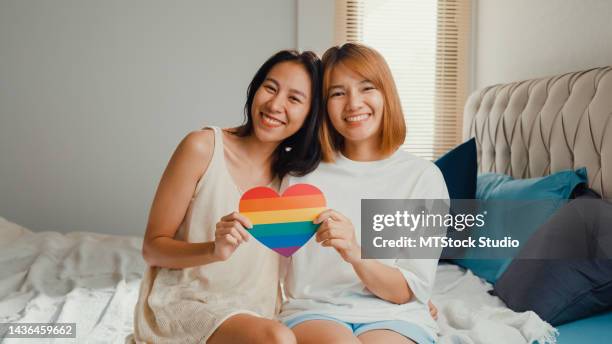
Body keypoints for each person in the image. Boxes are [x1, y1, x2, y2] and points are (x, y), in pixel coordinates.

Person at [130, 50, 322, 344]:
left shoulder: (296, 178)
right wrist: (213, 250)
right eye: (270, 88)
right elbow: (152, 249)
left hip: (256, 315)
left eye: (294, 99)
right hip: (187, 304)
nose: (275, 104)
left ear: (310, 115)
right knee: (279, 339)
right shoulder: (201, 148)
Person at [279, 43, 449, 344]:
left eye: (366, 88)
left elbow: (405, 291)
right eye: (337, 93)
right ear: (324, 104)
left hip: (397, 315)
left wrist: (355, 253)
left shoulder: (423, 178)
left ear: (386, 94)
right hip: (315, 312)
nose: (353, 103)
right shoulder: (299, 175)